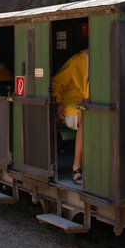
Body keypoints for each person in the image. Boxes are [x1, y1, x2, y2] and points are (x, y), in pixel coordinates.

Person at [51, 49, 89, 185]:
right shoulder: (76, 60)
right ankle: (76, 167)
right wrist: (59, 102)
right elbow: (57, 83)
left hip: (91, 104)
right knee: (84, 113)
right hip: (72, 105)